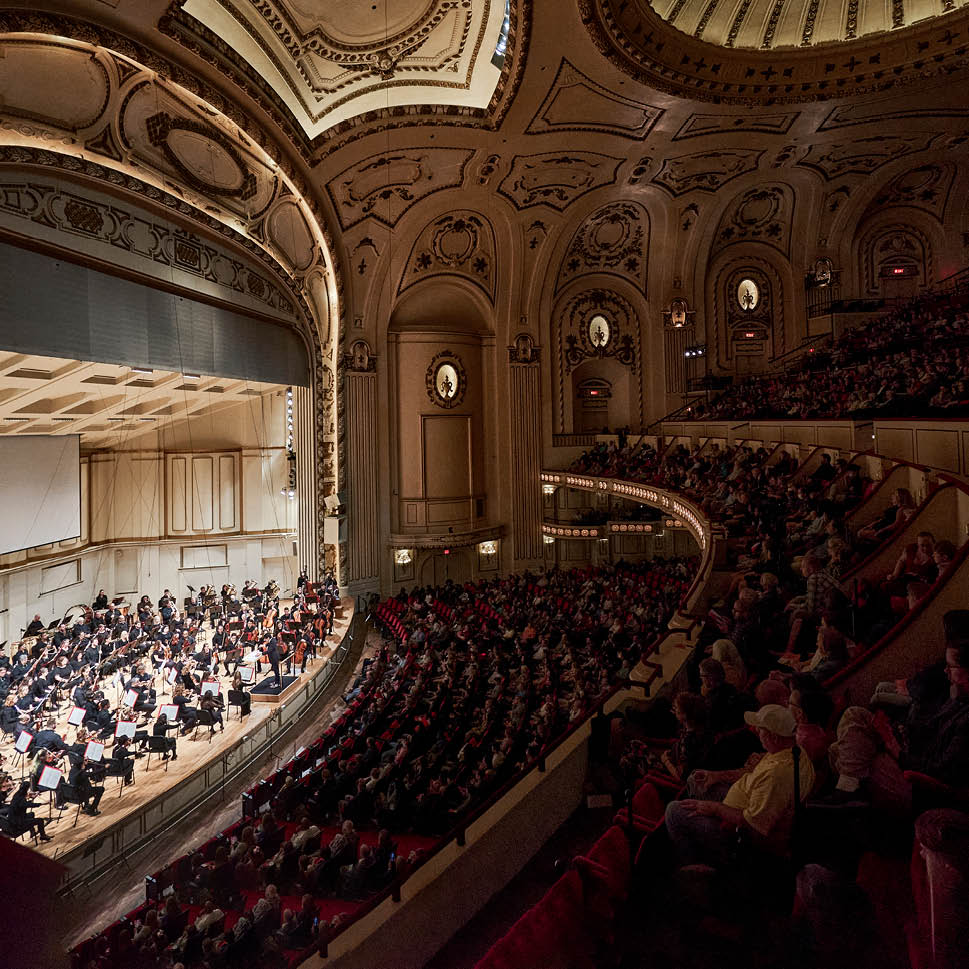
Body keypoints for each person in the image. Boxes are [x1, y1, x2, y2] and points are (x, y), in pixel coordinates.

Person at [665, 705, 815, 866]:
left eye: (760, 729)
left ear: (774, 737)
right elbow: (753, 775)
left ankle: (698, 867)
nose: (756, 731)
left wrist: (713, 808)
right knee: (696, 779)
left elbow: (752, 825)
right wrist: (716, 776)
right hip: (741, 803)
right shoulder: (792, 751)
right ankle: (697, 827)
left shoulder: (777, 776)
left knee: (673, 811)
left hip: (736, 835)